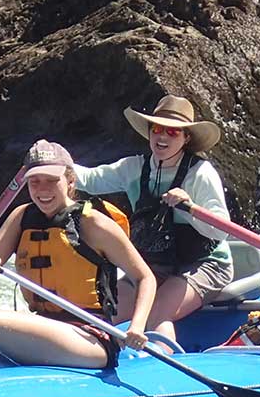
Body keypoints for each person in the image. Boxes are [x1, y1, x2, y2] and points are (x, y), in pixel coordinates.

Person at [0, 140, 157, 368]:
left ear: (70, 181)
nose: (43, 189)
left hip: (89, 337)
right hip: (44, 326)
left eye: (52, 180)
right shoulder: (21, 217)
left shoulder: (92, 223)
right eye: (34, 181)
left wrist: (137, 326)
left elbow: (144, 277)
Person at [74, 94, 232, 342]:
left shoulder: (200, 174)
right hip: (156, 265)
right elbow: (90, 180)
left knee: (155, 314)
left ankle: (162, 366)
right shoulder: (134, 168)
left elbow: (221, 230)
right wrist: (56, 160)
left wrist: (189, 208)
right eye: (158, 129)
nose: (162, 137)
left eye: (173, 132)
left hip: (205, 264)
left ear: (185, 138)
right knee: (101, 311)